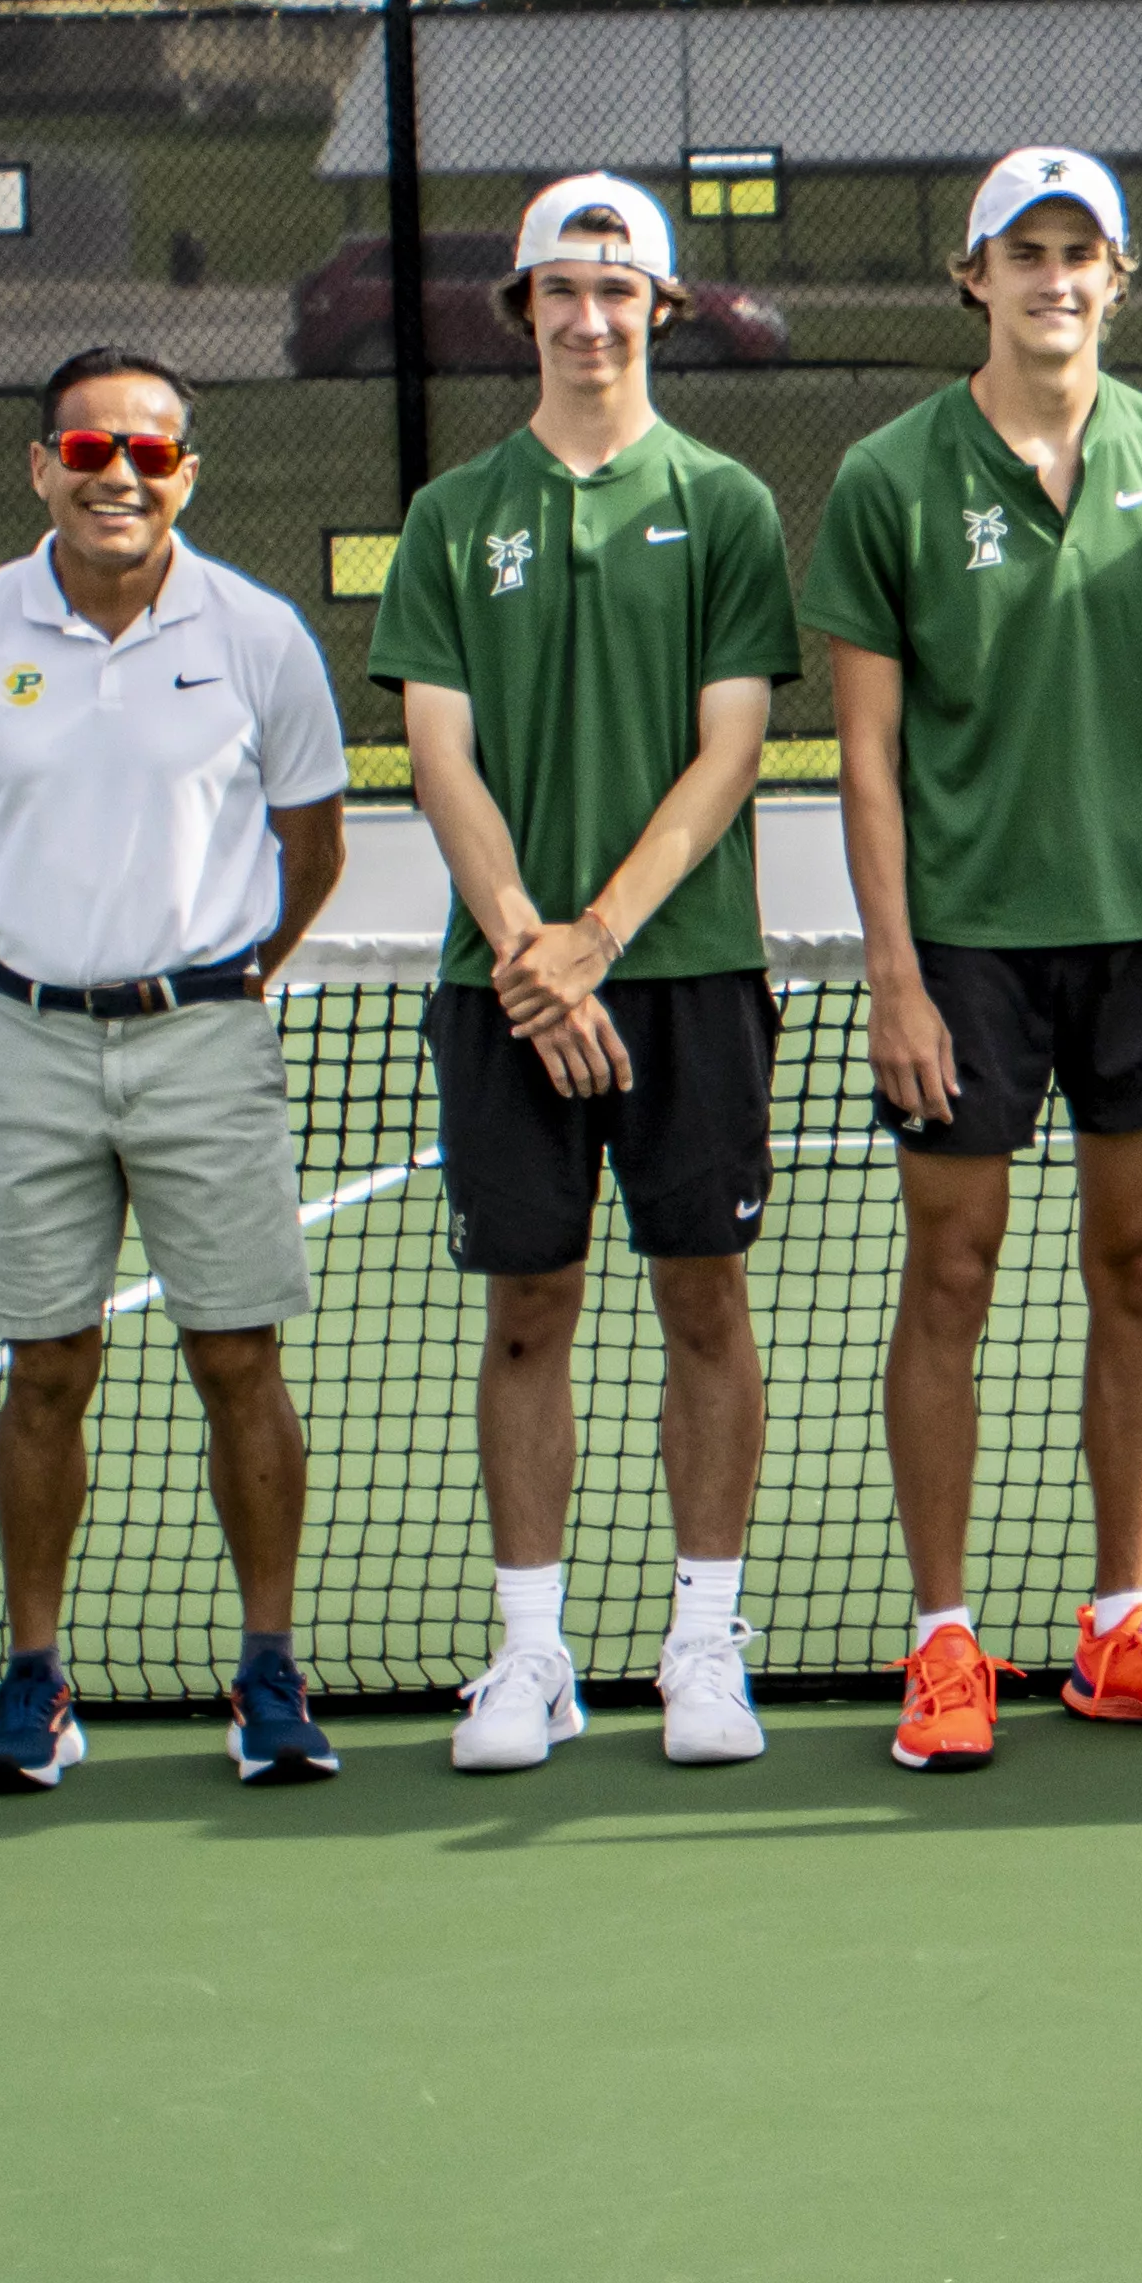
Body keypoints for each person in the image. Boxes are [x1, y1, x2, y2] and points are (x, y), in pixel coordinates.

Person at [804, 147, 1142, 1771]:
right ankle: (944, 1644)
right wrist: (894, 975)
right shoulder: (887, 477)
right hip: (965, 951)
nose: (1054, 279)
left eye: (1082, 252)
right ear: (973, 274)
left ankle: (1120, 1629)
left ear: (1119, 275)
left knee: (1135, 1276)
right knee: (951, 1275)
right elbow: (863, 760)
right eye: (1026, 252)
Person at [371, 176, 795, 1774]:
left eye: (620, 290)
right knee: (529, 1309)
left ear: (662, 311)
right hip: (507, 994)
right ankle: (534, 1654)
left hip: (684, 975)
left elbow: (732, 745)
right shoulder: (448, 515)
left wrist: (597, 937)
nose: (591, 316)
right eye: (563, 289)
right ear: (525, 310)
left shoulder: (729, 503)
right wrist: (527, 958)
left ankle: (703, 1644)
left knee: (704, 1297)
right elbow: (437, 751)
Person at [0, 350, 350, 1791]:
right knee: (47, 1368)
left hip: (206, 1039)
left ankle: (267, 1673)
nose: (118, 475)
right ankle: (35, 1682)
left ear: (186, 477)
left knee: (237, 1359)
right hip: (27, 1042)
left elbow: (314, 844)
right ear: (42, 464)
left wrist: (226, 983)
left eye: (150, 453)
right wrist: (38, 966)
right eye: (90, 447)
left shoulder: (263, 636)